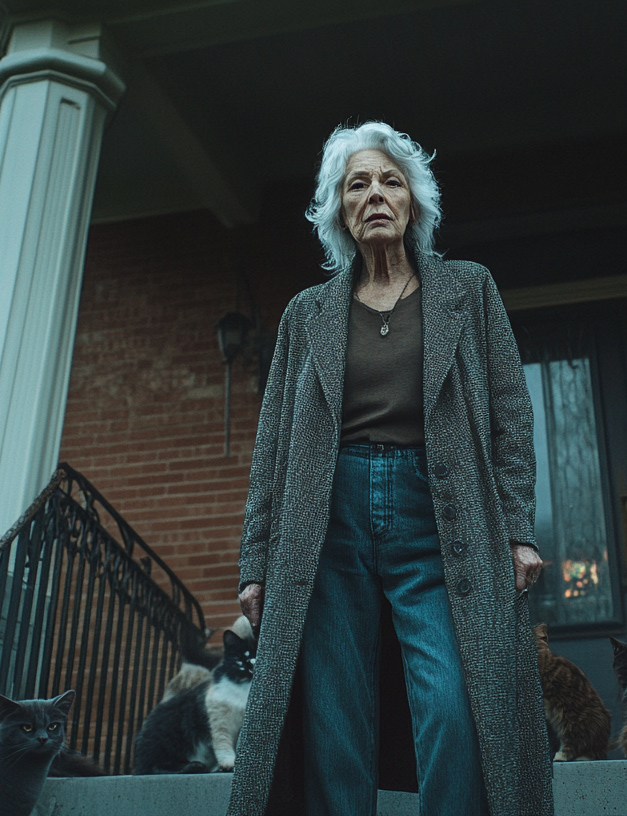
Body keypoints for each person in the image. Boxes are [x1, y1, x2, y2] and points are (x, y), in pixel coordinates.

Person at [227, 121, 553, 816]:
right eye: (358, 184)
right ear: (338, 210)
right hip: (324, 520)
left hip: (443, 512)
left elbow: (510, 415)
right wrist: (256, 563)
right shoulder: (304, 314)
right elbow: (272, 446)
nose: (375, 194)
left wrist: (519, 527)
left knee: (455, 699)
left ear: (414, 204)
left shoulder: (469, 289)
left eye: (390, 180)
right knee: (332, 712)